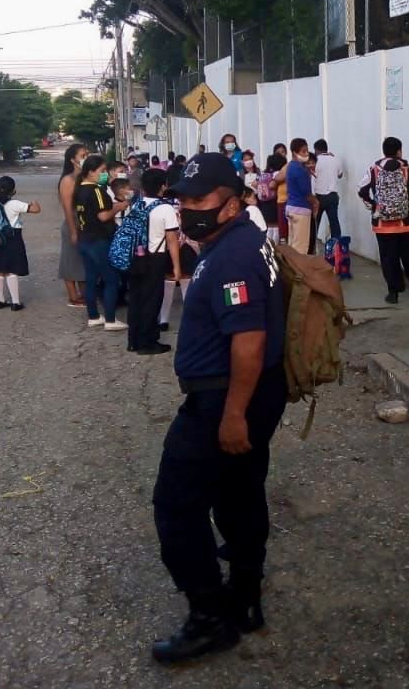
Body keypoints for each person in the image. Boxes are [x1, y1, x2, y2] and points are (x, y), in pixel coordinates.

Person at [150, 153, 287, 665]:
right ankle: (245, 598)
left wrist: (232, 415)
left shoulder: (232, 257)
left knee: (176, 506)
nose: (188, 209)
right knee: (239, 489)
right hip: (250, 391)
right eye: (182, 200)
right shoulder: (237, 239)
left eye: (200, 200)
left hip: (225, 397)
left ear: (233, 203)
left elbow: (248, 341)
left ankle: (209, 620)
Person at [358, 136, 409, 305]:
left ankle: (393, 292)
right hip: (406, 222)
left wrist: (373, 206)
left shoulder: (373, 170)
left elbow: (361, 190)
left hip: (383, 224)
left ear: (384, 151)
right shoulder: (407, 170)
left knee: (389, 258)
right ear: (399, 151)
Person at [128, 168, 183, 356]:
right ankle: (148, 342)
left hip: (135, 256)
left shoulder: (137, 204)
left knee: (136, 298)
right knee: (152, 299)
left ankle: (133, 340)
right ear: (163, 186)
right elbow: (172, 239)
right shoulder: (165, 208)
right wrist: (176, 266)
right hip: (155, 258)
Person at [75, 155, 131, 331]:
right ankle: (110, 319)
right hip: (98, 240)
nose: (104, 174)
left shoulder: (78, 189)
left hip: (84, 238)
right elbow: (103, 215)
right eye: (102, 171)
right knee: (111, 279)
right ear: (91, 172)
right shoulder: (96, 191)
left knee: (91, 278)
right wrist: (118, 207)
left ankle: (93, 315)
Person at [0, 175, 40, 312]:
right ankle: (15, 302)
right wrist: (35, 202)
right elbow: (35, 210)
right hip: (13, 237)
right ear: (13, 190)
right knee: (12, 269)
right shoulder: (15, 204)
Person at [59, 143, 89, 308]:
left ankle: (83, 294)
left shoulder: (85, 178)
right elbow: (67, 208)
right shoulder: (68, 180)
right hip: (73, 222)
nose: (86, 159)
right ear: (72, 160)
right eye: (82, 156)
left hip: (85, 223)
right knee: (70, 260)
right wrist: (73, 231)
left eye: (87, 155)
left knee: (82, 261)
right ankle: (73, 296)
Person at [310, 140, 343, 248]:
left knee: (315, 223)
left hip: (318, 197)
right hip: (332, 196)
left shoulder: (315, 161)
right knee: (334, 222)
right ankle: (337, 248)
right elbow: (340, 175)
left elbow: (312, 177)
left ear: (316, 150)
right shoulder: (335, 159)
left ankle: (312, 247)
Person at [284, 138, 314, 254]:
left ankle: (291, 269)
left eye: (307, 151)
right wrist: (315, 202)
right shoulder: (300, 170)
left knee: (292, 244)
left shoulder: (290, 166)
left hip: (291, 207)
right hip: (301, 209)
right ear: (294, 152)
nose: (306, 154)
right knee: (301, 247)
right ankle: (299, 271)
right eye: (303, 151)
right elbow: (306, 192)